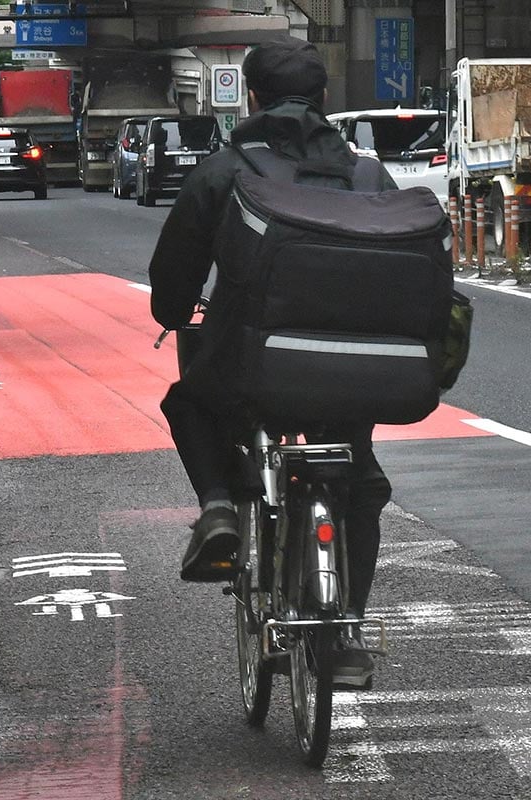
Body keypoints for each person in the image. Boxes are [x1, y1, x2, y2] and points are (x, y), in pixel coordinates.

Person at [148, 36, 398, 686]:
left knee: (190, 403)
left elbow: (174, 282)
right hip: (350, 375)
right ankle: (344, 635)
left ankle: (220, 510)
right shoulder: (368, 175)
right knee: (359, 483)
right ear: (323, 99)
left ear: (251, 99)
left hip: (248, 371)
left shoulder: (224, 171)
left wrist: (177, 314)